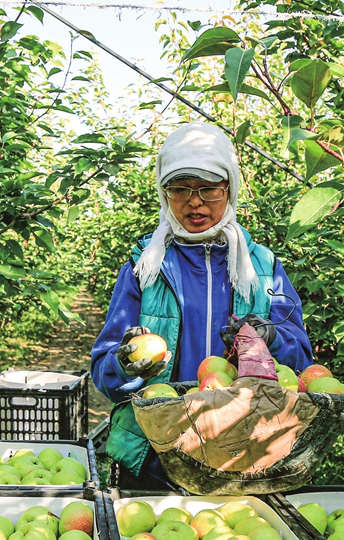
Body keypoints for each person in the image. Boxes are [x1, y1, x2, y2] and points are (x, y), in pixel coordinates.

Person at [90, 122, 313, 490]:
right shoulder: (144, 268)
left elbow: (302, 363)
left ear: (230, 188)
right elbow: (104, 373)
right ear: (164, 194)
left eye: (208, 189)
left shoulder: (263, 268)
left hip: (248, 450)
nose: (194, 202)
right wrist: (126, 362)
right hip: (157, 455)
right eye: (179, 189)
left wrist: (271, 338)